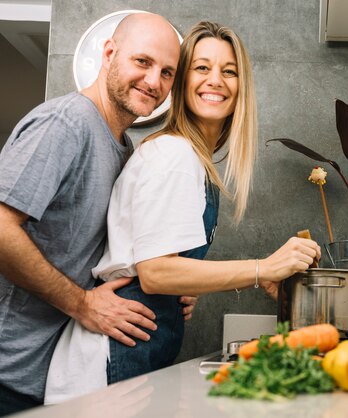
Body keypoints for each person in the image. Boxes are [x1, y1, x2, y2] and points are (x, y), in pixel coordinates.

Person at [44, 21, 320, 403]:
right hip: (109, 362)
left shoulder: (191, 159)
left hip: (134, 348)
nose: (216, 81)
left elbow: (160, 268)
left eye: (229, 71)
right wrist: (262, 268)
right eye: (202, 68)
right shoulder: (173, 155)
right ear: (182, 81)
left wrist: (186, 285)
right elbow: (156, 272)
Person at [0, 13, 193, 416]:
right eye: (142, 62)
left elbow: (101, 251)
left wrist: (166, 283)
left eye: (167, 72)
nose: (154, 81)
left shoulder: (121, 147)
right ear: (109, 53)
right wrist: (82, 304)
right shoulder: (65, 123)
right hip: (8, 373)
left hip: (51, 375)